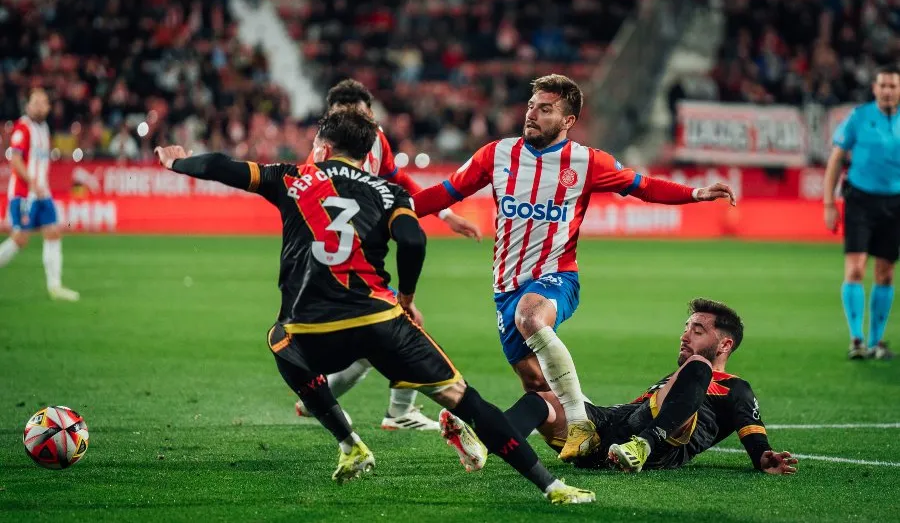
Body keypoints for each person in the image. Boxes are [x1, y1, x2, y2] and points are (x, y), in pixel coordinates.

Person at [153, 110, 594, 504]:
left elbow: (218, 166)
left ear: (322, 147)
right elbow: (413, 240)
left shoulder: (292, 178)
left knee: (278, 339)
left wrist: (176, 162)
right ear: (368, 156)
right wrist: (405, 298)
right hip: (382, 321)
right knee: (468, 402)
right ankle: (552, 487)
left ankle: (349, 443)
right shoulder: (388, 193)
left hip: (311, 329)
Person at [412, 73, 736, 461]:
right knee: (536, 384)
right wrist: (393, 212)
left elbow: (643, 186)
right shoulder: (496, 154)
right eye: (531, 106)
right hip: (505, 288)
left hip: (556, 277)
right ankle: (569, 441)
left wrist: (696, 193)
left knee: (531, 318)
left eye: (545, 109)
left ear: (567, 121)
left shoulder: (586, 162)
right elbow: (445, 192)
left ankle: (581, 422)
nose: (532, 114)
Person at [294, 79, 483, 431]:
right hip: (337, 259)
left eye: (363, 116)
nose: (359, 126)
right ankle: (382, 409)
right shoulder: (323, 153)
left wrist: (446, 215)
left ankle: (335, 402)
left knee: (378, 338)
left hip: (361, 250)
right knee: (391, 328)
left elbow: (400, 181)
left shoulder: (375, 138)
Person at [440, 298, 799, 476]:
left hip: (660, 445)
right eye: (687, 326)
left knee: (697, 368)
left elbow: (755, 439)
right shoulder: (678, 377)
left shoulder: (734, 387)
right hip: (614, 430)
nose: (685, 334)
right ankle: (484, 445)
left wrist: (763, 456)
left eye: (698, 330)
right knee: (543, 399)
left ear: (725, 345)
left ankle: (643, 445)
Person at [824, 65, 900, 360]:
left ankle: (877, 342)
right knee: (855, 268)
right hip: (860, 201)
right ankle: (856, 340)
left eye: (893, 86)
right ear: (875, 89)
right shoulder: (858, 117)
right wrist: (829, 204)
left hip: (895, 204)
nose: (888, 91)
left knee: (885, 273)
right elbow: (835, 160)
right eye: (883, 85)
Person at [0, 89, 79, 301]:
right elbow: (15, 161)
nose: (38, 106)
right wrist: (32, 181)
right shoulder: (22, 128)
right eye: (34, 102)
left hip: (43, 194)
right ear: (28, 106)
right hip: (24, 194)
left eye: (42, 103)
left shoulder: (43, 128)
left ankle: (55, 287)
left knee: (53, 232)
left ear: (48, 107)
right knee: (20, 239)